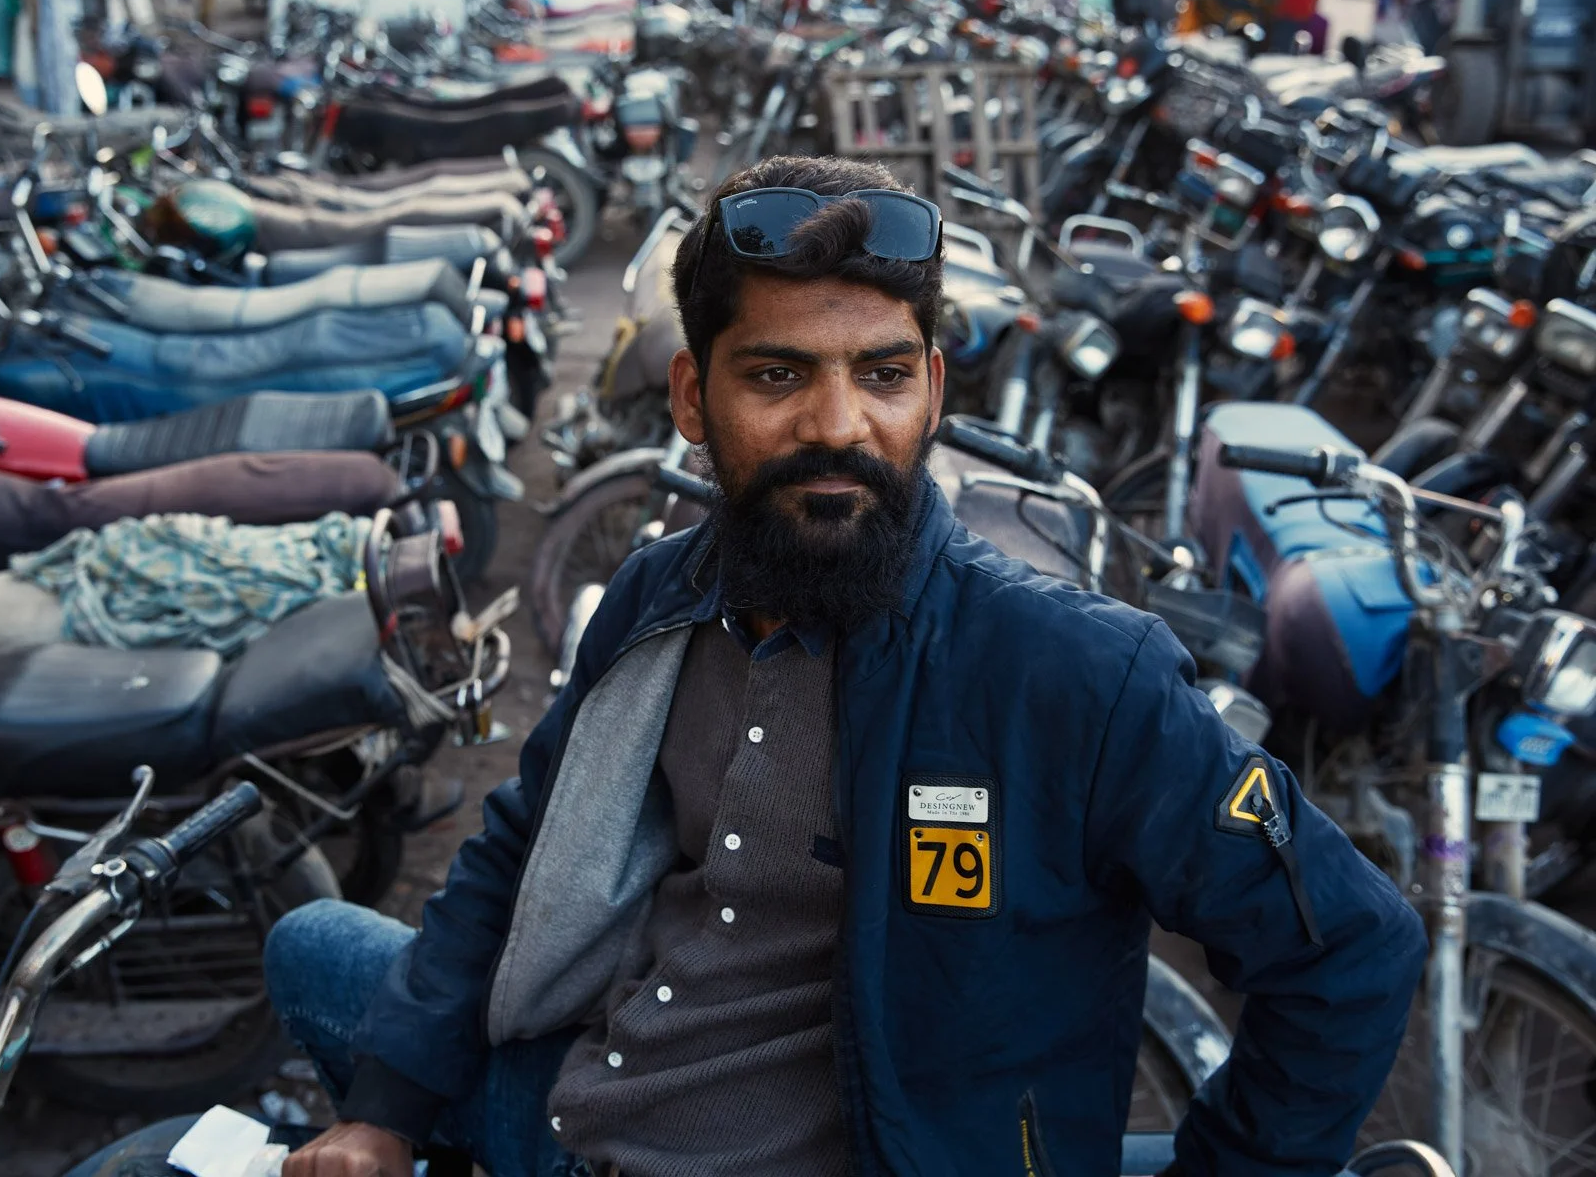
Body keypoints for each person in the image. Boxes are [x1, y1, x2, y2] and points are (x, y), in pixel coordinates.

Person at [270, 156, 1427, 1177]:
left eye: (880, 375)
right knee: (307, 943)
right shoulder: (657, 594)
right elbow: (524, 840)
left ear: (931, 388)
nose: (839, 424)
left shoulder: (1069, 671)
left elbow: (1352, 954)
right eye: (776, 377)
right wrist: (381, 1116)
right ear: (690, 396)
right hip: (584, 1103)